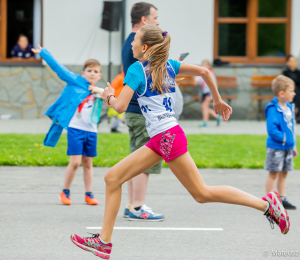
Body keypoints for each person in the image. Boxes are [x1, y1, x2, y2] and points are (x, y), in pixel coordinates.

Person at [70, 25, 290, 259]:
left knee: (202, 193)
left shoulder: (136, 70)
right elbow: (205, 72)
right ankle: (104, 242)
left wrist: (108, 96)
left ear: (144, 47)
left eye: (135, 41)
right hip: (163, 137)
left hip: (166, 137)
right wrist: (217, 100)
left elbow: (121, 106)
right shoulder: (169, 66)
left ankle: (267, 205)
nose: (131, 44)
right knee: (112, 178)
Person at [32, 45, 103, 206]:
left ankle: (89, 194)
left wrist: (97, 90)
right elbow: (59, 69)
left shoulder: (99, 90)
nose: (92, 73)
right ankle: (65, 191)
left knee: (88, 163)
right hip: (76, 129)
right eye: (89, 70)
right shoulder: (76, 81)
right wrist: (44, 53)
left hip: (91, 131)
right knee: (76, 162)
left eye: (95, 71)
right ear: (83, 73)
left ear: (100, 75)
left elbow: (113, 98)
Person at [121, 2, 164, 221]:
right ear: (144, 20)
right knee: (144, 160)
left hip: (135, 111)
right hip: (141, 111)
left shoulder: (130, 42)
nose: (158, 21)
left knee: (136, 157)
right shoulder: (137, 45)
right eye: (155, 17)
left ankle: (132, 205)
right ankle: (138, 206)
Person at [264, 75, 298, 210]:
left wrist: (293, 144)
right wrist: (284, 139)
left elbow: (291, 128)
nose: (294, 93)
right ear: (281, 93)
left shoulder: (289, 107)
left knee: (284, 173)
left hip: (288, 147)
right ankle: (269, 201)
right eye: (291, 91)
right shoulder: (273, 108)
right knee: (274, 173)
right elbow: (272, 130)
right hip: (276, 147)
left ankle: (282, 199)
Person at [195, 60, 221, 127]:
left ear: (209, 66)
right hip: (205, 92)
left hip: (209, 93)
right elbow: (197, 83)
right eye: (202, 65)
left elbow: (213, 85)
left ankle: (205, 122)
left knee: (204, 107)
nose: (203, 66)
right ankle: (217, 117)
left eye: (205, 65)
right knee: (205, 108)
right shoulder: (203, 74)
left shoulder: (209, 74)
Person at [108, 65, 125, 133]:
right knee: (111, 113)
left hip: (121, 99)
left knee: (119, 115)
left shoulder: (125, 77)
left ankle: (114, 128)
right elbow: (113, 86)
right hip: (116, 98)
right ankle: (99, 122)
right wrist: (113, 97)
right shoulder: (120, 77)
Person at [283, 55, 300, 123]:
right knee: (295, 91)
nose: (293, 63)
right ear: (288, 63)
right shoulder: (285, 73)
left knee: (297, 91)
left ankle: (296, 111)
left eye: (294, 61)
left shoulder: (298, 72)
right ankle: (296, 111)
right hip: (288, 91)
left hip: (298, 91)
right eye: (291, 61)